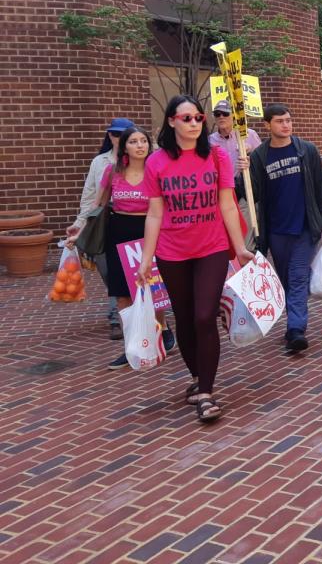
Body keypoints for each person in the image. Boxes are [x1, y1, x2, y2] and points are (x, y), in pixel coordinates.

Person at [137, 95, 253, 423]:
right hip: (172, 253)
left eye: (198, 118)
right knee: (186, 318)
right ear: (171, 121)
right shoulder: (156, 162)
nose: (193, 123)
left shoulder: (216, 157)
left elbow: (228, 205)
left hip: (212, 248)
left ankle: (206, 391)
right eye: (185, 118)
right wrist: (146, 259)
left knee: (204, 316)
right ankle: (196, 376)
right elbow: (155, 214)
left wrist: (239, 246)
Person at [67, 126, 176, 369]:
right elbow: (98, 206)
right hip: (118, 231)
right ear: (124, 146)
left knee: (152, 288)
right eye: (134, 141)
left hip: (149, 231)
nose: (140, 145)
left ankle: (161, 330)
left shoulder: (157, 170)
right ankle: (132, 347)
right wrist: (79, 228)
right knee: (122, 292)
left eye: (143, 141)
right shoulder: (112, 171)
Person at [241, 103, 322, 352]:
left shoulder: (307, 151)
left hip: (304, 227)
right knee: (286, 280)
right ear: (267, 124)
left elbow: (320, 189)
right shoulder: (259, 156)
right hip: (277, 231)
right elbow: (252, 193)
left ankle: (296, 329)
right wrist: (243, 173)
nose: (286, 125)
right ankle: (294, 318)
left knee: (298, 276)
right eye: (280, 121)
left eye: (289, 120)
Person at [66, 117, 136, 340]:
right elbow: (90, 199)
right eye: (114, 134)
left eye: (122, 134)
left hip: (133, 224)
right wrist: (79, 226)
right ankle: (120, 310)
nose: (117, 138)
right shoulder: (99, 163)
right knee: (109, 270)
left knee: (133, 271)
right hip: (104, 225)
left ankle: (120, 316)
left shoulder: (141, 159)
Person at [209, 99, 261, 249]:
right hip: (222, 191)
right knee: (225, 233)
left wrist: (250, 161)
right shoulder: (210, 141)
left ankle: (247, 260)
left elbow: (262, 161)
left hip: (244, 189)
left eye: (225, 113)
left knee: (245, 233)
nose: (221, 117)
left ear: (233, 116)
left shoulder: (248, 135)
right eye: (217, 114)